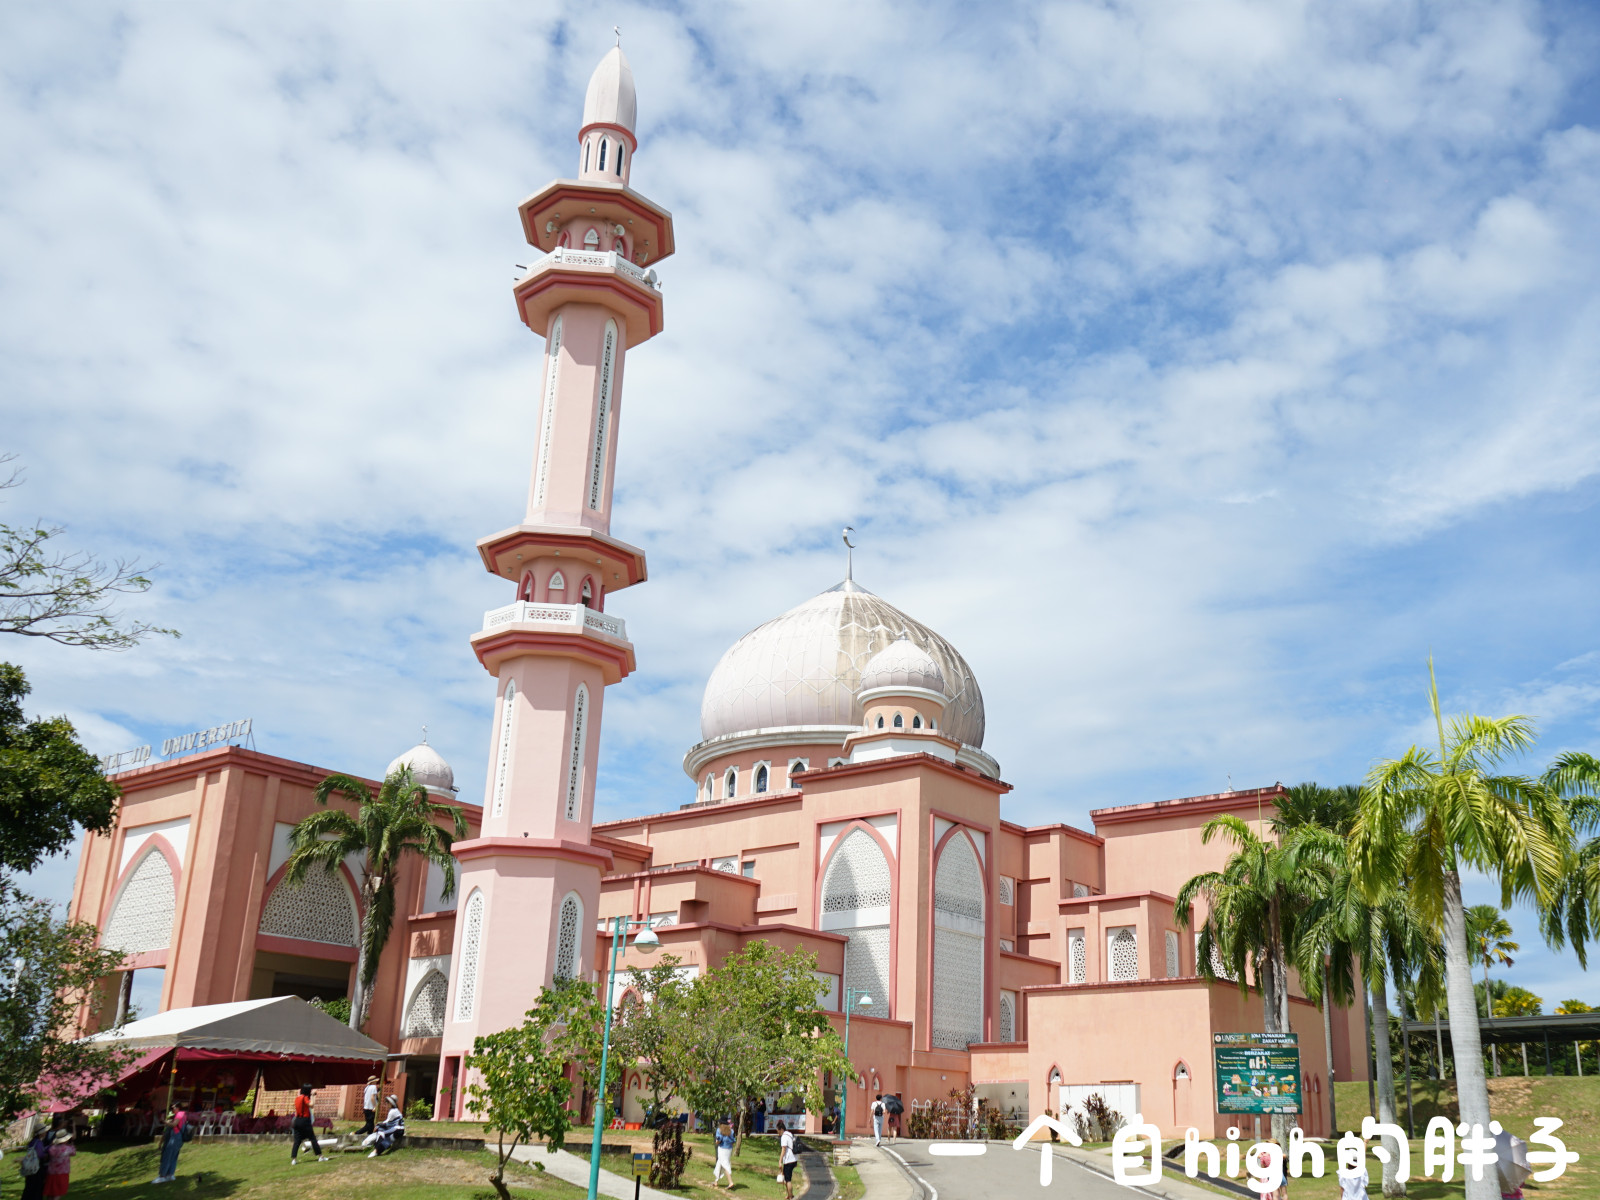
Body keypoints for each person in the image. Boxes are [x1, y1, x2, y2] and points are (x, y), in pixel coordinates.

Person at [290, 1085, 329, 1165]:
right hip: (305, 1121)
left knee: (297, 1141)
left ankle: (294, 1159)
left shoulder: (297, 1098)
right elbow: (311, 1105)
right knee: (313, 1139)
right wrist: (313, 1096)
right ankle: (320, 1157)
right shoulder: (305, 1097)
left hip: (297, 1120)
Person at [153, 1107, 188, 1184]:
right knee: (173, 1156)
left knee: (167, 1156)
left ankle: (162, 1176)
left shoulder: (179, 1115)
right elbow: (165, 1133)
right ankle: (170, 1174)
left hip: (174, 1138)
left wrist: (164, 1121)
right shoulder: (182, 1115)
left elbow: (173, 1125)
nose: (172, 1109)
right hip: (178, 1139)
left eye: (174, 1108)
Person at [19, 1123, 50, 1200]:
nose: (45, 1133)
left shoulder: (32, 1142)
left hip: (31, 1169)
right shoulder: (38, 1143)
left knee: (29, 1188)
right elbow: (40, 1155)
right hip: (37, 1169)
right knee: (36, 1189)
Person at [42, 1130, 75, 1198]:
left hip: (52, 1172)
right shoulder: (68, 1148)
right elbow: (73, 1152)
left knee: (51, 1192)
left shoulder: (52, 1148)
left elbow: (47, 1150)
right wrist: (71, 1144)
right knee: (58, 1192)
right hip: (62, 1173)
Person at [713, 1121, 735, 1186]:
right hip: (729, 1149)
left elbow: (718, 1141)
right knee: (719, 1164)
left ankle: (730, 1182)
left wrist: (716, 1142)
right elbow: (733, 1141)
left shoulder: (719, 1130)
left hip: (722, 1149)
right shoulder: (731, 1131)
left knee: (725, 1165)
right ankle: (716, 1181)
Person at [778, 1126, 798, 1200]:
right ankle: (790, 1195)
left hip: (789, 1160)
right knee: (787, 1178)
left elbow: (783, 1149)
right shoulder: (789, 1134)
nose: (778, 1133)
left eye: (778, 1131)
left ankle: (790, 1197)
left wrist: (780, 1161)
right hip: (794, 1159)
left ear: (781, 1129)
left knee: (788, 1179)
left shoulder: (784, 1136)